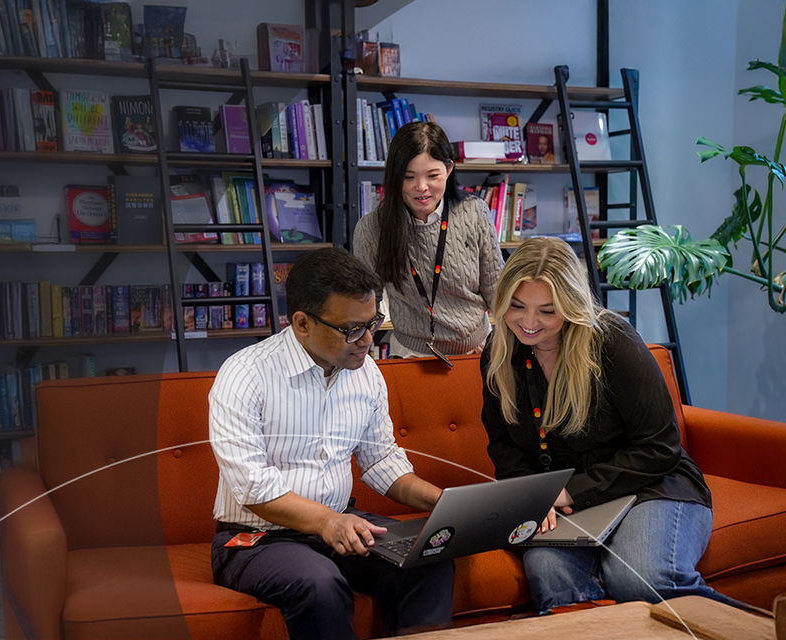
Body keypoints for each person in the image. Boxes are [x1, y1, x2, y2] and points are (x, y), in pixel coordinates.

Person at [209, 247, 454, 638]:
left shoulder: (366, 372)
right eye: (351, 329)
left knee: (429, 558)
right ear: (302, 323)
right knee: (319, 583)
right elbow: (252, 487)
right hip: (259, 539)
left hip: (342, 523)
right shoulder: (244, 375)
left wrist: (442, 504)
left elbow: (380, 461)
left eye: (373, 322)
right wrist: (326, 521)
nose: (367, 340)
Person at [480, 237, 732, 613]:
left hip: (651, 487)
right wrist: (531, 494)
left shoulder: (611, 341)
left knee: (640, 576)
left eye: (547, 312)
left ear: (573, 306)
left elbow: (660, 446)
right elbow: (503, 444)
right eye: (517, 306)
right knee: (549, 573)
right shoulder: (499, 352)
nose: (528, 323)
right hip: (566, 507)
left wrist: (570, 492)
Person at [352, 120, 503, 359]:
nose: (421, 187)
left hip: (476, 350)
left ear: (449, 170)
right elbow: (363, 303)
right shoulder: (372, 228)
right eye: (409, 177)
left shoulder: (474, 212)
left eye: (433, 176)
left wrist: (499, 348)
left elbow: (496, 290)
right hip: (411, 355)